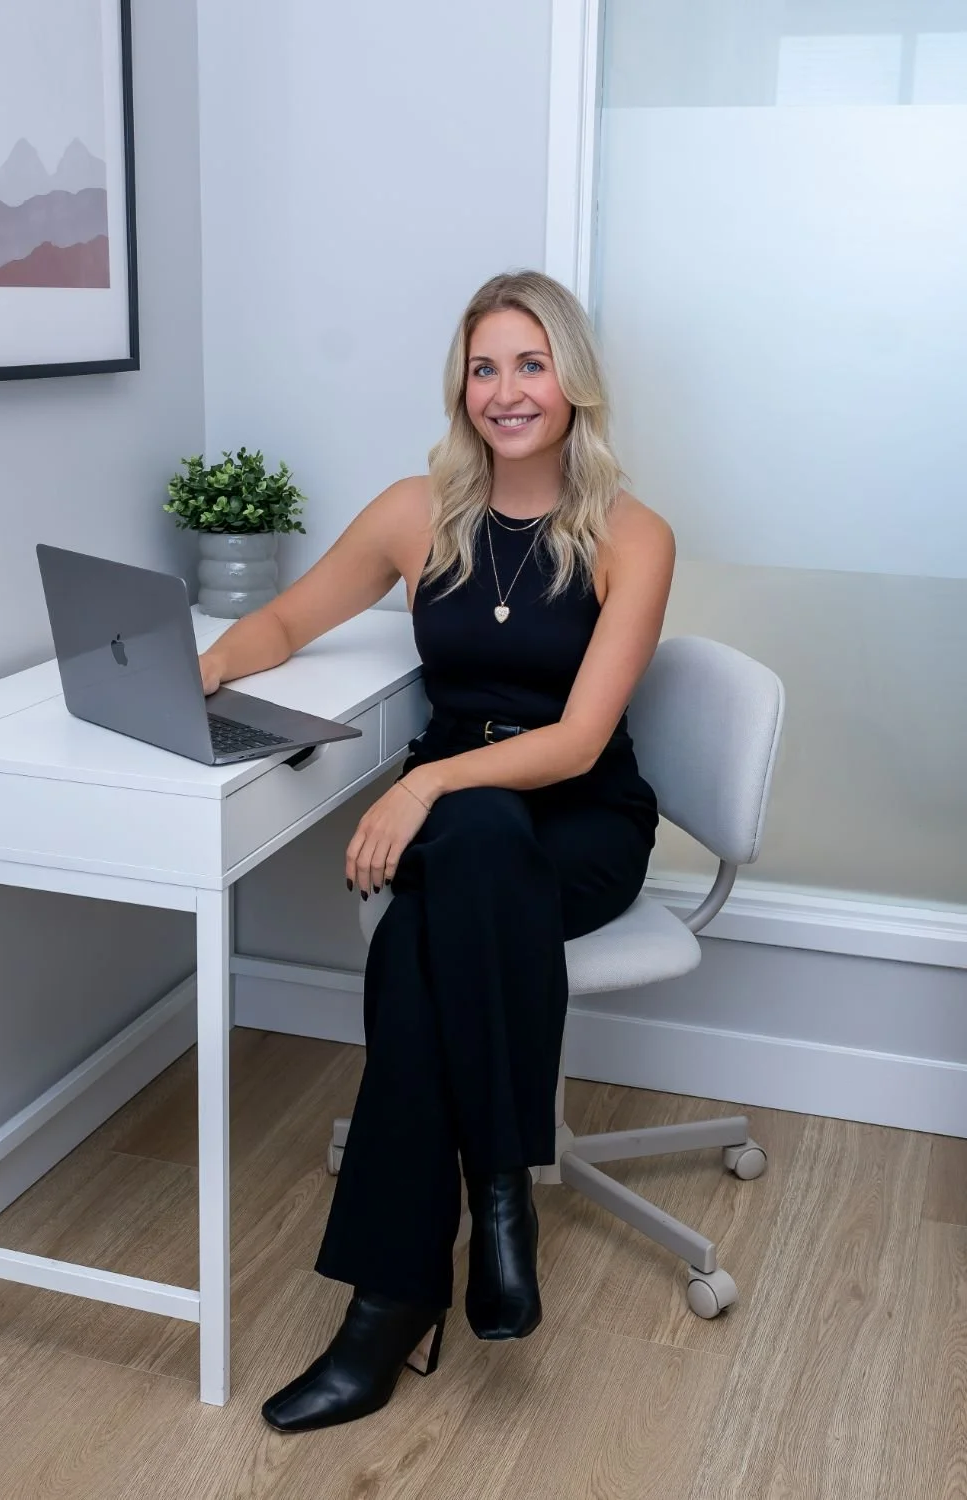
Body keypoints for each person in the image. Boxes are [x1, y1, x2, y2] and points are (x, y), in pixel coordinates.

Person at [197, 270, 675, 1432]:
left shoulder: (631, 535)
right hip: (464, 824)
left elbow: (575, 742)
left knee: (441, 889)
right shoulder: (417, 512)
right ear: (460, 388)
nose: (506, 390)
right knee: (454, 868)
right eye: (483, 367)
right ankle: (497, 1199)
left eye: (529, 363)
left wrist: (427, 781)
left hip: (577, 818)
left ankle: (389, 1305)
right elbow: (287, 620)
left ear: (572, 381)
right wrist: (196, 673)